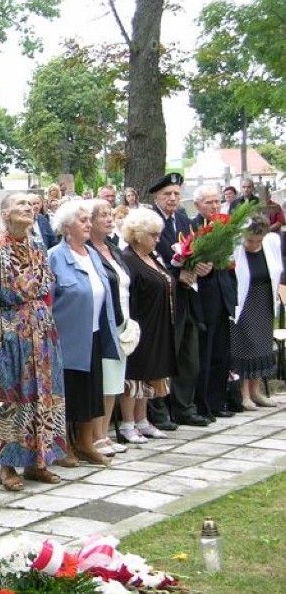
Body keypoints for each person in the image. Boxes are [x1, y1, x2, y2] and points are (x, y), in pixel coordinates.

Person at [0, 194, 67, 490]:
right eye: (21, 205)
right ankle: (7, 466)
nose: (29, 208)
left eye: (31, 205)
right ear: (4, 213)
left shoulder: (38, 244)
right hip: (11, 327)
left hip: (42, 327)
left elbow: (45, 287)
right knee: (12, 394)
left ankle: (38, 461)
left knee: (46, 393)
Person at [48, 200, 121, 466]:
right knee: (69, 393)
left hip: (94, 332)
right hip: (67, 337)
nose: (88, 224)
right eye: (82, 220)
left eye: (88, 220)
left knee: (92, 390)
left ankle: (86, 443)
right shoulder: (56, 255)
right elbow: (50, 298)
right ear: (67, 227)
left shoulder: (91, 253)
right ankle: (64, 446)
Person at [151, 173, 211, 427]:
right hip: (164, 297)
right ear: (157, 196)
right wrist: (178, 274)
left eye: (176, 194)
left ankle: (184, 407)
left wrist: (202, 267)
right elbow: (151, 258)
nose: (173, 198)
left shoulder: (184, 220)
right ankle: (159, 410)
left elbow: (193, 251)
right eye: (167, 194)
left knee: (189, 354)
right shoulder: (151, 221)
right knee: (166, 354)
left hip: (187, 296)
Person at [117, 208, 177, 443]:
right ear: (138, 234)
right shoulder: (128, 258)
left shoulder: (152, 256)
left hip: (157, 322)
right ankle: (128, 423)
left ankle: (142, 420)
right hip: (139, 322)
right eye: (153, 234)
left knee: (149, 374)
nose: (157, 239)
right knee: (134, 375)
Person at [86, 200, 131, 456]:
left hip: (122, 319)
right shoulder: (88, 250)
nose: (109, 218)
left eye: (110, 214)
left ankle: (105, 433)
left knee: (115, 379)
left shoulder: (112, 249)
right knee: (102, 379)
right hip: (103, 321)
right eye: (102, 215)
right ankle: (95, 436)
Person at [192, 186, 238, 420]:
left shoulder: (224, 227)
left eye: (217, 202)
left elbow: (230, 264)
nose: (214, 206)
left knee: (222, 353)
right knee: (205, 353)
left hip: (223, 296)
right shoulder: (193, 227)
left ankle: (218, 401)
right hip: (204, 298)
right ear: (198, 204)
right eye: (209, 202)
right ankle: (203, 404)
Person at [231, 214, 283, 409]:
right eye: (249, 240)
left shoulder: (272, 243)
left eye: (257, 241)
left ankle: (256, 390)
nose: (252, 244)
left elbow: (276, 269)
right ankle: (244, 394)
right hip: (244, 301)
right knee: (246, 346)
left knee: (262, 346)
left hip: (264, 297)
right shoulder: (235, 246)